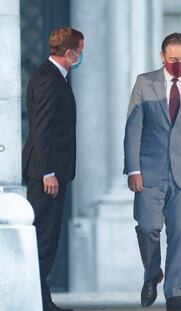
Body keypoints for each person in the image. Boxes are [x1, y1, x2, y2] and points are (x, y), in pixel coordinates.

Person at [124, 32, 181, 311]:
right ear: (163, 56)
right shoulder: (145, 82)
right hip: (149, 171)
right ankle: (152, 272)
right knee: (148, 227)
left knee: (180, 234)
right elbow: (133, 127)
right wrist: (133, 168)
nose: (179, 63)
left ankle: (174, 293)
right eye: (174, 58)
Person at [22, 26, 84, 311]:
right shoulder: (49, 79)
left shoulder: (53, 75)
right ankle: (38, 300)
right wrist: (48, 172)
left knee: (47, 236)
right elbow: (42, 129)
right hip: (46, 174)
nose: (81, 56)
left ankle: (41, 297)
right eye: (80, 51)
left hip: (51, 172)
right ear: (69, 52)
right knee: (44, 237)